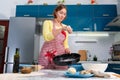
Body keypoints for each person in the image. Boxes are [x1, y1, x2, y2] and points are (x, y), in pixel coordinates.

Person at [38, 4, 72, 70]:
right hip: (47, 56)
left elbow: (65, 43)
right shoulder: (47, 23)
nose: (62, 16)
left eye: (64, 14)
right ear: (56, 12)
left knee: (61, 76)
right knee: (44, 75)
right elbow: (47, 37)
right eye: (61, 13)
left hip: (60, 57)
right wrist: (60, 29)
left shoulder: (65, 27)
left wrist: (67, 49)